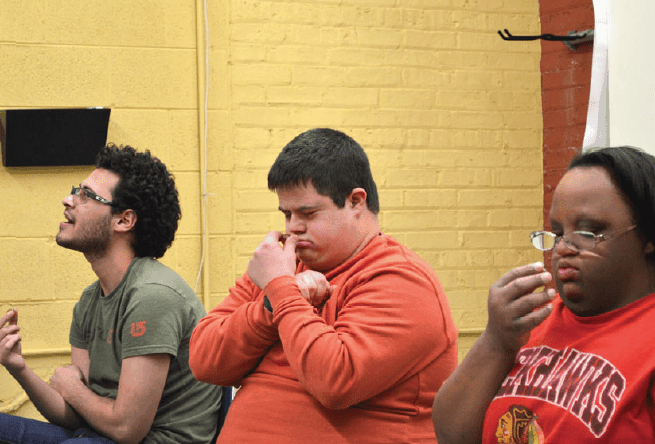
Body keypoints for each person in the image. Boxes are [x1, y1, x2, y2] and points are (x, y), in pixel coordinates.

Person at [189, 128, 458, 443]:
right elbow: (204, 361)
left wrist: (281, 291)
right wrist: (270, 307)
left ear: (355, 202)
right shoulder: (281, 268)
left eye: (308, 213)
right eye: (286, 214)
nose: (293, 227)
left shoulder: (402, 279)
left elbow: (336, 382)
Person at [432, 145, 655, 443]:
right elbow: (452, 434)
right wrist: (496, 341)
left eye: (588, 232)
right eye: (558, 233)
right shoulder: (530, 322)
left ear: (648, 236)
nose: (563, 248)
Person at [0, 144, 221, 444]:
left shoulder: (153, 296)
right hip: (98, 434)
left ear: (124, 220)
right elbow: (75, 414)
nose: (68, 200)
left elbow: (127, 430)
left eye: (86, 195)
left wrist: (73, 389)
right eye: (76, 191)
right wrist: (18, 367)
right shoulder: (90, 300)